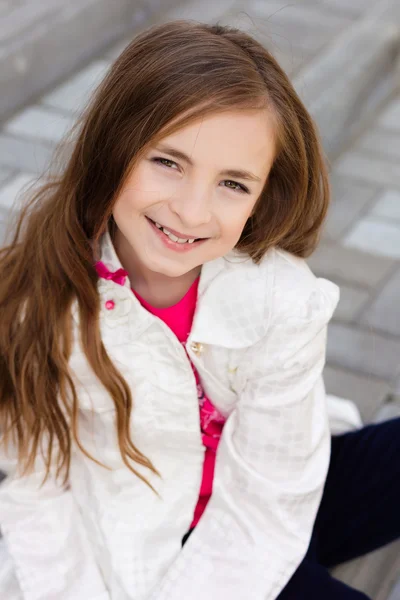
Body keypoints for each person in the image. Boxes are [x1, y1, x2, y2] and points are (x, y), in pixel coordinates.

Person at [0, 19, 397, 600]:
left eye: (232, 184)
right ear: (115, 147)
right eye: (168, 161)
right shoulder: (41, 300)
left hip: (273, 497)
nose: (190, 211)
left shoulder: (279, 296)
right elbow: (37, 490)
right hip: (163, 540)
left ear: (265, 193)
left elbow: (272, 498)